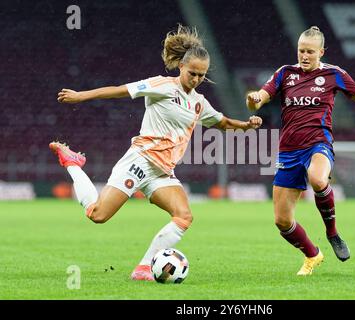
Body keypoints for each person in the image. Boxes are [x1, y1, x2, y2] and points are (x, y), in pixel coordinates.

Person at [51, 25, 262, 281]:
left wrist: (246, 124)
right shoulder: (161, 85)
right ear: (181, 67)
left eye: (201, 76)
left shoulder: (198, 103)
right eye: (192, 73)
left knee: (184, 216)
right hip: (140, 160)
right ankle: (73, 163)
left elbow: (222, 122)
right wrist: (81, 96)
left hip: (162, 172)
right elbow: (121, 90)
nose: (195, 79)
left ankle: (142, 270)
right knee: (98, 215)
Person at [246, 26, 355, 276]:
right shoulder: (285, 73)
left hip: (319, 143)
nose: (304, 56)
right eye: (300, 51)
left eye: (309, 51)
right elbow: (259, 98)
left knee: (318, 178)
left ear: (321, 52)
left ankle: (333, 233)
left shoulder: (334, 74)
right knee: (282, 221)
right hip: (288, 151)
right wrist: (254, 99)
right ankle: (312, 254)